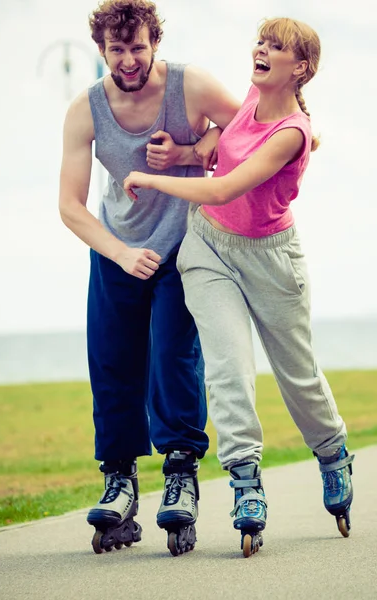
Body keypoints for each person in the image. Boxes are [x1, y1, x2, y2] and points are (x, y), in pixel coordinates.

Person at [123, 16, 355, 558]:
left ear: (301, 68)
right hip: (208, 245)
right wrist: (185, 153)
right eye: (260, 41)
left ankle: (331, 451)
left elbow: (227, 184)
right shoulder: (253, 95)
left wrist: (150, 177)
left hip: (272, 259)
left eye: (276, 47)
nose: (261, 50)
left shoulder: (293, 132)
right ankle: (246, 483)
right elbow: (224, 138)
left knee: (296, 374)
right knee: (228, 369)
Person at [58, 0, 240, 556]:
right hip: (118, 250)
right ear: (101, 50)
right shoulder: (85, 109)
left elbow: (252, 129)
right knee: (112, 362)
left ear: (154, 41)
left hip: (186, 247)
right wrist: (118, 253)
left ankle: (181, 473)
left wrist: (192, 148)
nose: (130, 59)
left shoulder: (192, 86)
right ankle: (119, 482)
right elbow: (69, 206)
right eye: (118, 49)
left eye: (138, 46)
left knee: (171, 359)